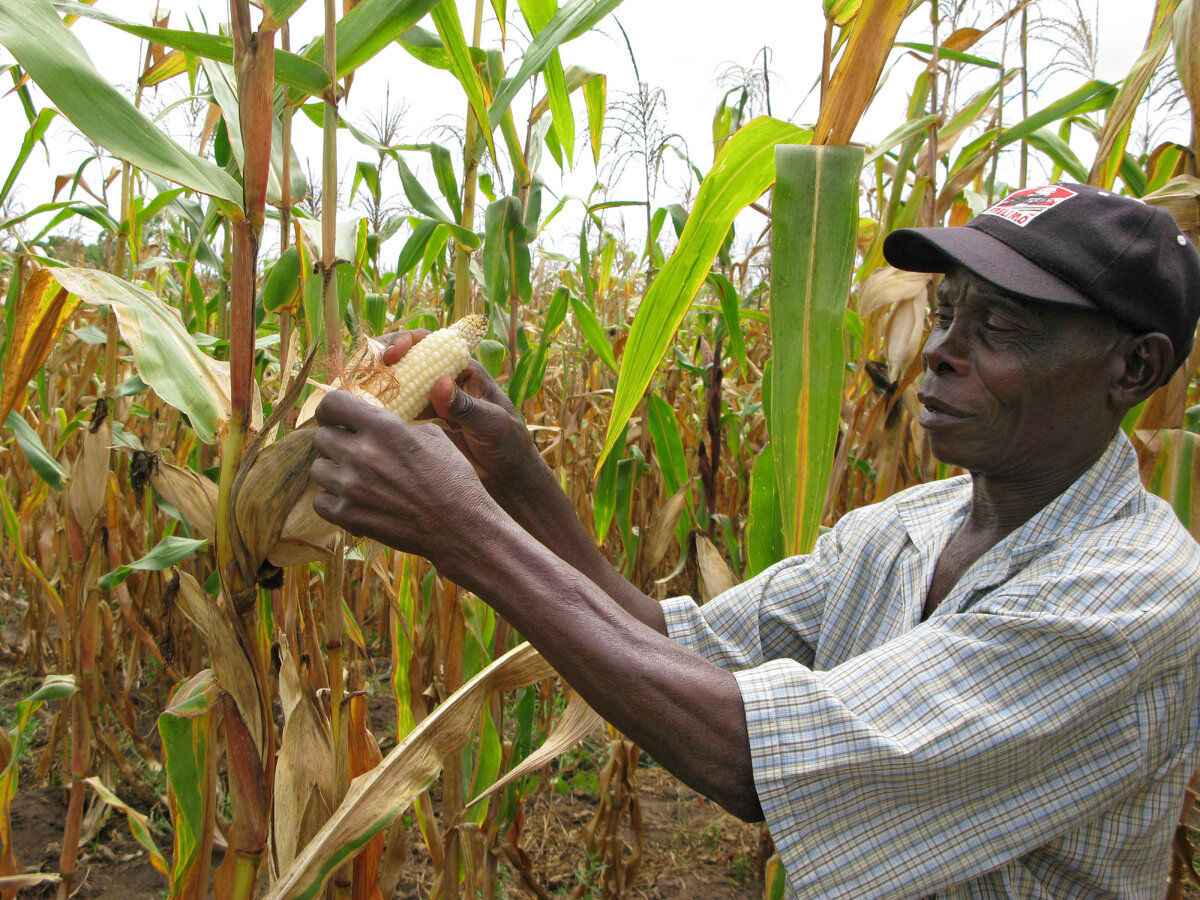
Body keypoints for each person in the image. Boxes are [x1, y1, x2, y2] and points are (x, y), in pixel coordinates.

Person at [309, 183, 1200, 898]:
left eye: (1000, 327)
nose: (940, 350)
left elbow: (746, 756)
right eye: (947, 311)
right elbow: (669, 643)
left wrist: (462, 533)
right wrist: (510, 478)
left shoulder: (1134, 593)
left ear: (1134, 368)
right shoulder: (905, 528)